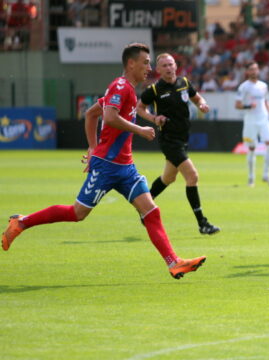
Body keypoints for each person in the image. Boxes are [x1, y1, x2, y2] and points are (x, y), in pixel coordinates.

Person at [1, 43, 206, 280]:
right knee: (78, 213)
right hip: (107, 166)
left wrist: (92, 147)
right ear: (131, 63)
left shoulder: (127, 88)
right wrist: (138, 130)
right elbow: (108, 116)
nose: (149, 67)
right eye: (146, 62)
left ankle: (174, 262)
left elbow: (91, 113)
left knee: (151, 211)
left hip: (125, 167)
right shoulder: (120, 86)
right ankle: (22, 223)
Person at [136, 53, 220, 235]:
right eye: (164, 65)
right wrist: (154, 118)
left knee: (168, 178)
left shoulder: (184, 82)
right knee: (192, 177)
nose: (168, 68)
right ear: (158, 70)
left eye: (170, 64)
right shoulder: (155, 90)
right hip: (169, 140)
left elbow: (197, 98)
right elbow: (139, 107)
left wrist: (202, 105)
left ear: (175, 66)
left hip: (183, 139)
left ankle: (143, 206)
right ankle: (202, 224)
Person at [235, 61, 269, 187]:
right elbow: (237, 105)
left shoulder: (263, 86)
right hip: (251, 120)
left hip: (264, 119)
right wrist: (248, 105)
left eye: (256, 69)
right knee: (252, 148)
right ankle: (251, 178)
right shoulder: (244, 87)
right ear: (247, 72)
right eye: (251, 69)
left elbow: (266, 100)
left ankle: (266, 175)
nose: (254, 71)